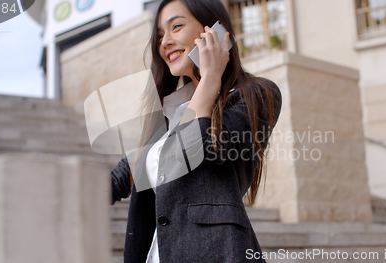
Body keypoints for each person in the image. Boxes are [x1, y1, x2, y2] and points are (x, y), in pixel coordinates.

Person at [110, 0, 283, 262]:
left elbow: (206, 149)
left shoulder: (257, 95)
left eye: (176, 26)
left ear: (214, 30)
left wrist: (211, 76)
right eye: (160, 36)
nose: (165, 42)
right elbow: (115, 180)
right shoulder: (167, 115)